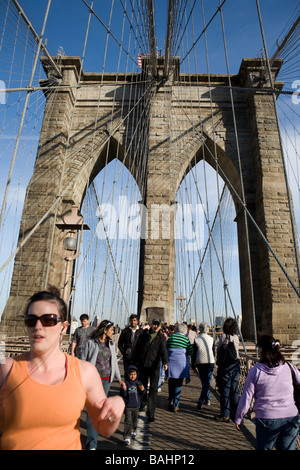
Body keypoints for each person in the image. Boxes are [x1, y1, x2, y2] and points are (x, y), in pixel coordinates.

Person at [0, 289, 124, 450]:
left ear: (64, 327)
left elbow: (103, 428)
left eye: (49, 320)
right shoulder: (5, 370)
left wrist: (114, 413)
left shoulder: (85, 372)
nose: (38, 326)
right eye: (31, 320)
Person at [235, 335, 300, 450]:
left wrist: (239, 417)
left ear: (262, 349)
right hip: (291, 418)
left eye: (258, 346)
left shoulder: (256, 370)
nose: (257, 349)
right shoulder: (290, 367)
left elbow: (247, 397)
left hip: (267, 419)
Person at [81, 319, 126, 450]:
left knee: (101, 410)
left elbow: (114, 363)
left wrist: (119, 378)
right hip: (93, 381)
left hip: (106, 380)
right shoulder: (90, 342)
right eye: (112, 330)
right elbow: (83, 360)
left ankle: (96, 433)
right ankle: (92, 444)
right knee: (92, 411)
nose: (113, 332)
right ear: (104, 330)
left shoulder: (111, 343)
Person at [132, 319, 168, 422]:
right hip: (143, 365)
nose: (156, 326)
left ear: (160, 326)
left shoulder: (161, 337)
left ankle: (151, 413)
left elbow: (164, 350)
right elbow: (137, 348)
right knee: (142, 386)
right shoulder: (144, 335)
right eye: (154, 324)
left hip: (154, 366)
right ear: (151, 325)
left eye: (158, 325)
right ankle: (142, 404)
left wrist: (165, 362)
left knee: (153, 389)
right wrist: (135, 361)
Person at [215, 317, 240, 422]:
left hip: (226, 367)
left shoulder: (223, 337)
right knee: (234, 390)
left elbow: (217, 349)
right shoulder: (237, 338)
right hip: (236, 365)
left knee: (225, 390)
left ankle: (225, 414)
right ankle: (235, 414)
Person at [166, 323, 193, 412]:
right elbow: (190, 351)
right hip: (181, 365)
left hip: (171, 364)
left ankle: (170, 400)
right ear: (185, 331)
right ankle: (176, 405)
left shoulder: (171, 337)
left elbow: (166, 348)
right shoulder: (186, 339)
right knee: (178, 384)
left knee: (171, 382)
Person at [192, 322, 215, 410]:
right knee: (207, 382)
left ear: (200, 329)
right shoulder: (211, 339)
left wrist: (193, 365)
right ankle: (202, 399)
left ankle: (206, 399)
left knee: (204, 382)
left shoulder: (197, 339)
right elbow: (213, 352)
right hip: (210, 362)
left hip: (200, 363)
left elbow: (194, 354)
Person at [120, 365, 146, 446]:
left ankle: (133, 431)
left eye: (134, 374)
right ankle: (126, 437)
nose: (133, 376)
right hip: (128, 406)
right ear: (127, 375)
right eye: (131, 374)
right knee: (128, 421)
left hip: (136, 405)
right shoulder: (126, 384)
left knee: (135, 420)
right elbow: (123, 395)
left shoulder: (138, 383)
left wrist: (143, 389)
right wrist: (124, 390)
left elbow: (143, 393)